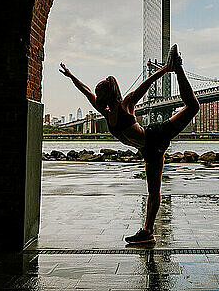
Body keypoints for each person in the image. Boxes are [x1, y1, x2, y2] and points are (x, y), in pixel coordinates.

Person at [59, 44, 199, 244]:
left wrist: (165, 69)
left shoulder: (127, 104)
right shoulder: (106, 113)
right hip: (148, 150)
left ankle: (178, 67)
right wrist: (71, 76)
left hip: (155, 136)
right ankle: (147, 232)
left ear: (107, 95)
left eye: (100, 95)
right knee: (153, 191)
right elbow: (85, 90)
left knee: (193, 107)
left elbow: (147, 83)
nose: (97, 98)